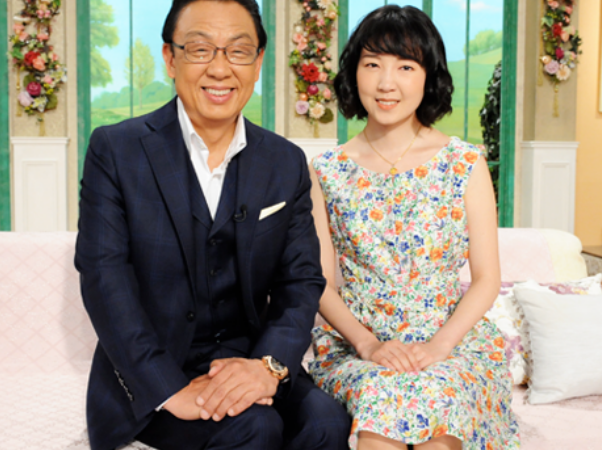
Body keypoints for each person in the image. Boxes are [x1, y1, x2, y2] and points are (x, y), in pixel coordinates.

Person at [75, 1, 351, 449]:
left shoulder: (284, 161)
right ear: (170, 58)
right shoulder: (117, 150)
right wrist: (169, 390)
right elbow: (104, 280)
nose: (220, 69)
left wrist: (268, 367)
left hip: (251, 358)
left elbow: (300, 281)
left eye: (238, 51)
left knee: (327, 424)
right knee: (257, 428)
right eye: (200, 49)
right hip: (157, 373)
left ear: (258, 63)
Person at [307, 5, 520, 450]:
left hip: (453, 347)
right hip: (359, 347)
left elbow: (486, 279)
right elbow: (320, 283)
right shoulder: (325, 170)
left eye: (405, 66)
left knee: (440, 405)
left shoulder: (465, 163)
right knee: (379, 410)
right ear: (354, 73)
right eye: (372, 65)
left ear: (429, 77)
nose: (387, 83)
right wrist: (368, 345)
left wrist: (439, 348)